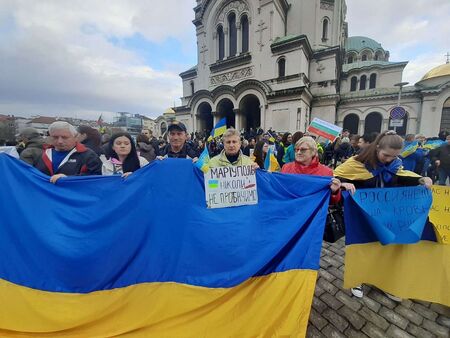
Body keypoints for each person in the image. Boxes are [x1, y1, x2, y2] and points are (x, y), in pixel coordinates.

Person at [334, 131, 432, 299]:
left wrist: (421, 180)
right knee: (363, 247)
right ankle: (358, 279)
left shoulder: (395, 164)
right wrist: (343, 183)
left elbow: (402, 177)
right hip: (363, 214)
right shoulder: (356, 163)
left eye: (394, 157)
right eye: (386, 155)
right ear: (377, 148)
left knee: (387, 247)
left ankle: (384, 281)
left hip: (386, 214)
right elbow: (335, 177)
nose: (389, 160)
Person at [281, 136, 354, 202]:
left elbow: (330, 201)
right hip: (290, 213)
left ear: (313, 152)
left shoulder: (326, 172)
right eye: (296, 150)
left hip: (313, 215)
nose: (298, 152)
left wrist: (335, 191)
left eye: (303, 150)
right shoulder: (286, 168)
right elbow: (281, 192)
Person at [35, 121, 102, 183]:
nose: (60, 141)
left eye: (64, 137)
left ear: (75, 137)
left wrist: (68, 179)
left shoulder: (88, 156)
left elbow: (96, 179)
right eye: (55, 137)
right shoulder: (43, 154)